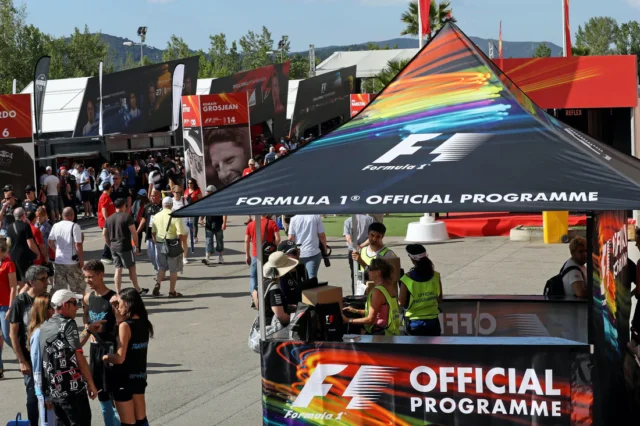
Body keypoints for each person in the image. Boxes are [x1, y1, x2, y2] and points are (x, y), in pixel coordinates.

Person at [39, 289, 98, 424]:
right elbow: (78, 355)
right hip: (73, 390)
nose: (77, 307)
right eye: (74, 303)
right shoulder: (68, 324)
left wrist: (88, 331)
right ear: (65, 304)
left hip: (55, 391)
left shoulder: (44, 326)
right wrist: (91, 383)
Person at [103, 288, 153, 426]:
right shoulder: (144, 322)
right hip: (139, 376)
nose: (118, 306)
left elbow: (119, 358)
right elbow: (121, 320)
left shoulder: (125, 326)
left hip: (123, 378)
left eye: (119, 303)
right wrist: (115, 307)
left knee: (128, 423)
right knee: (141, 419)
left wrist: (107, 357)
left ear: (127, 303)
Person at [81, 260, 120, 426]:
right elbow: (85, 314)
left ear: (101, 275)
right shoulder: (88, 297)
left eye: (91, 277)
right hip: (95, 350)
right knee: (102, 396)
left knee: (116, 397)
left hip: (110, 350)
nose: (87, 281)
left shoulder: (113, 298)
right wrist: (87, 327)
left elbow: (121, 325)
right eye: (85, 277)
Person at [10, 265, 50, 424]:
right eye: (43, 279)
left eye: (47, 278)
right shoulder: (20, 302)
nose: (47, 282)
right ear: (32, 282)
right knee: (33, 397)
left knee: (52, 397)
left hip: (49, 357)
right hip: (30, 358)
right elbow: (13, 334)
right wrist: (22, 361)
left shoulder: (48, 299)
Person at [342, 258, 401, 336]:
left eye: (370, 269)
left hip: (381, 334)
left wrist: (348, 320)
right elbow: (381, 312)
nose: (368, 272)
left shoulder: (378, 291)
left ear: (378, 272)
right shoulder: (390, 287)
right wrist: (356, 311)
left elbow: (370, 319)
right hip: (390, 332)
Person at [104, 198, 147, 295]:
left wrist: (109, 245)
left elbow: (104, 234)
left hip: (114, 247)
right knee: (131, 268)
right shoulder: (127, 217)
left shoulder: (109, 219)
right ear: (124, 206)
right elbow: (134, 233)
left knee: (118, 269)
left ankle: (118, 292)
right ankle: (137, 289)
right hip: (125, 247)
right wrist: (137, 246)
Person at [399, 244, 443, 336]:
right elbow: (439, 299)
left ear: (412, 259)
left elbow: (401, 302)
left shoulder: (407, 278)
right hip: (433, 322)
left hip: (414, 323)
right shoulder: (436, 275)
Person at [28, 293, 57, 426]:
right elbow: (37, 366)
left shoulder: (49, 329)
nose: (55, 310)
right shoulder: (39, 333)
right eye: (52, 307)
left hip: (55, 388)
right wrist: (45, 394)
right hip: (46, 391)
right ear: (44, 311)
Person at [152, 197, 188, 298]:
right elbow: (180, 234)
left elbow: (153, 232)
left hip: (160, 243)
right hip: (172, 244)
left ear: (162, 204)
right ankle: (172, 291)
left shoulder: (156, 216)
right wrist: (179, 243)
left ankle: (158, 283)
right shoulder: (175, 216)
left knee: (162, 267)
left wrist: (156, 242)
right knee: (173, 269)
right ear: (171, 205)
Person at [48, 207, 85, 296]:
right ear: (72, 215)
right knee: (78, 288)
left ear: (62, 215)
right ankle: (79, 301)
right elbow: (78, 244)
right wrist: (81, 259)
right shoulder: (75, 226)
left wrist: (56, 251)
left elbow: (50, 242)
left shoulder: (55, 225)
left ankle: (62, 302)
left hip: (59, 261)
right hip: (72, 262)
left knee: (60, 290)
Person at [246, 215, 281, 308]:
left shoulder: (251, 224)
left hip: (255, 254)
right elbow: (278, 239)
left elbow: (247, 241)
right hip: (268, 254)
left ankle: (254, 298)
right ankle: (267, 295)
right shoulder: (272, 223)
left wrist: (247, 255)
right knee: (268, 275)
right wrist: (273, 247)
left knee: (254, 276)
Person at [258, 252, 299, 327]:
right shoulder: (275, 288)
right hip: (272, 327)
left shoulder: (264, 282)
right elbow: (280, 316)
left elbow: (255, 297)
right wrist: (296, 319)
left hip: (263, 323)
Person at [6, 207, 40, 291]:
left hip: (13, 257)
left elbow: (8, 243)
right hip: (24, 257)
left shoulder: (9, 227)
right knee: (28, 281)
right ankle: (24, 296)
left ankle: (20, 296)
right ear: (23, 215)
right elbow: (30, 243)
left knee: (19, 282)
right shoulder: (25, 226)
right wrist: (37, 253)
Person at [288, 214, 328, 279]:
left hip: (298, 253)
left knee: (298, 278)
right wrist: (325, 249)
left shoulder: (293, 219)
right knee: (312, 277)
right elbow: (322, 235)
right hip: (313, 252)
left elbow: (290, 238)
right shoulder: (316, 216)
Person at [343, 214, 373, 295]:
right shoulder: (370, 219)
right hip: (366, 250)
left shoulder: (348, 221)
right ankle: (368, 294)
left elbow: (348, 237)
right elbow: (371, 237)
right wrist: (362, 246)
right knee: (368, 273)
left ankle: (356, 294)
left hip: (353, 251)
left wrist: (356, 246)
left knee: (355, 276)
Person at [0, 238, 17, 379]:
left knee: (7, 336)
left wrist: (11, 307)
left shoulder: (8, 264)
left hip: (5, 305)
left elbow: (13, 287)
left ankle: (24, 354)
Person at [137, 190, 162, 282]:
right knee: (151, 255)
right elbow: (144, 220)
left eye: (154, 196)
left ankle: (159, 272)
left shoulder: (163, 207)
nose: (152, 198)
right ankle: (157, 269)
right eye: (151, 196)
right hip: (149, 234)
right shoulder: (148, 207)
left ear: (159, 196)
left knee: (158, 255)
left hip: (159, 235)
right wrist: (137, 231)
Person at [276, 240, 308, 308]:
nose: (298, 254)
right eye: (294, 252)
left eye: (298, 251)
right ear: (284, 256)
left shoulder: (302, 268)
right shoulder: (279, 274)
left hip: (303, 306)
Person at [200, 185, 227, 265]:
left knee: (219, 241)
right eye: (207, 192)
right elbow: (203, 212)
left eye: (208, 192)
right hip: (209, 225)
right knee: (208, 241)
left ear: (213, 192)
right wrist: (201, 219)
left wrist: (224, 223)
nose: (207, 193)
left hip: (218, 225)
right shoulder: (206, 201)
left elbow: (224, 213)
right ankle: (207, 258)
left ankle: (220, 257)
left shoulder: (220, 202)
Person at [170, 185, 190, 265]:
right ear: (173, 192)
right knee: (175, 242)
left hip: (184, 223)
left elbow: (188, 211)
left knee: (184, 241)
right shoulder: (171, 201)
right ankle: (176, 257)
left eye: (179, 192)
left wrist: (189, 221)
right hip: (174, 224)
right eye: (176, 192)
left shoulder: (184, 200)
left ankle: (184, 258)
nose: (178, 194)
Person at [99, 182, 116, 264]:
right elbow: (104, 209)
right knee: (108, 238)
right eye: (111, 187)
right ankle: (105, 256)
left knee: (110, 238)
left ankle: (108, 255)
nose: (112, 188)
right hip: (105, 222)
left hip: (108, 221)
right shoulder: (104, 197)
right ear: (109, 188)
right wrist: (107, 221)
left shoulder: (107, 196)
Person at [184, 178, 202, 243]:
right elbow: (185, 200)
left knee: (194, 223)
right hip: (188, 210)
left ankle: (195, 237)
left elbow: (200, 200)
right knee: (189, 224)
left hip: (195, 209)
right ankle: (191, 236)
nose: (189, 184)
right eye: (188, 183)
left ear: (194, 183)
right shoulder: (186, 190)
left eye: (191, 183)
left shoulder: (197, 191)